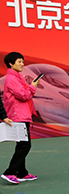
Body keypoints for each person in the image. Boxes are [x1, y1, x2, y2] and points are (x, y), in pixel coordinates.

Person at [2, 52, 39, 184]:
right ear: (11, 63)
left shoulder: (17, 77)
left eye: (22, 61)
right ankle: (10, 172)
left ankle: (22, 173)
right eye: (19, 61)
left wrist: (31, 86)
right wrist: (33, 87)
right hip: (18, 116)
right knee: (24, 145)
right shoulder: (12, 78)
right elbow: (23, 95)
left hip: (21, 115)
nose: (22, 64)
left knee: (22, 144)